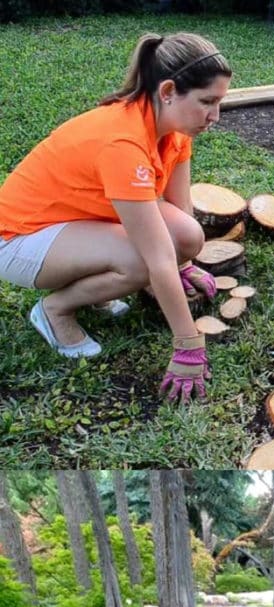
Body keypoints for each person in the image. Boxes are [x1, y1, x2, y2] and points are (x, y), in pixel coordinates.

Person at [0, 32, 232, 400]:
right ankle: (55, 309)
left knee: (188, 236)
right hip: (18, 238)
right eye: (207, 102)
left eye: (220, 102)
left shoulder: (175, 129)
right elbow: (156, 255)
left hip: (76, 220)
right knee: (140, 263)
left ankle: (97, 287)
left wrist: (182, 265)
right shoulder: (123, 143)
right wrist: (189, 344)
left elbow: (179, 215)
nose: (214, 116)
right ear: (168, 91)